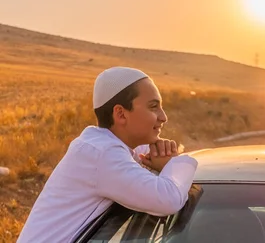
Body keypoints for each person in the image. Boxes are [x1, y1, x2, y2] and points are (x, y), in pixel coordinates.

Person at [17, 67, 199, 243]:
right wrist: (176, 162)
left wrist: (164, 154)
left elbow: (146, 154)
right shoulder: (102, 154)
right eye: (153, 107)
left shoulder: (101, 145)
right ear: (120, 114)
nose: (163, 117)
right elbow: (168, 200)